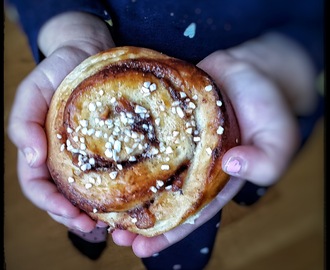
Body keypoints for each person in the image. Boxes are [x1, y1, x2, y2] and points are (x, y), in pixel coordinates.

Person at [6, 0, 324, 269]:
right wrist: (71, 27)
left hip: (232, 122)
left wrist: (284, 65)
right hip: (98, 51)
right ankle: (89, 235)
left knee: (177, 240)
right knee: (79, 213)